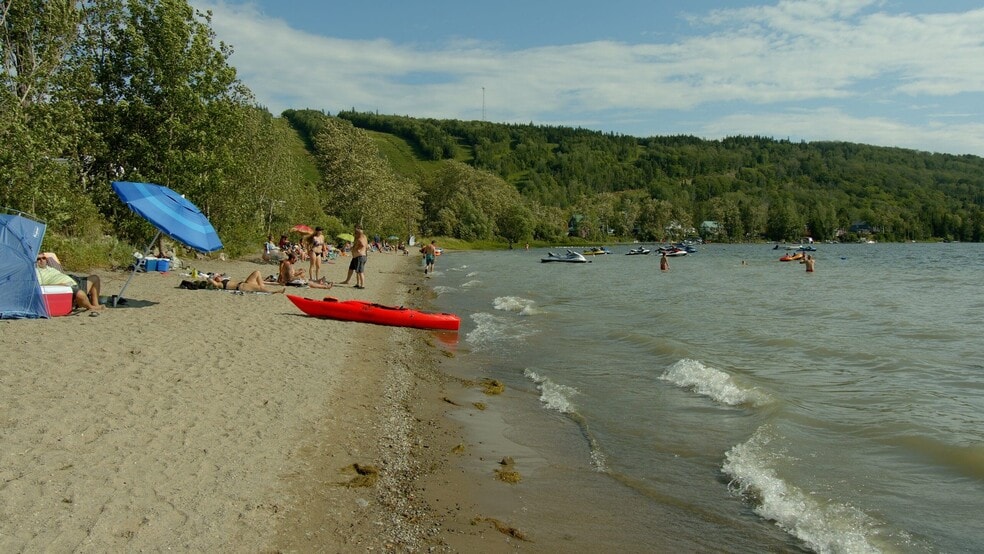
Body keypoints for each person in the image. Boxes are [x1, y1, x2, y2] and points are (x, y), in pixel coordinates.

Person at [35, 254, 103, 311]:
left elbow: (51, 256)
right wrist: (60, 285)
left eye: (43, 258)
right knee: (80, 294)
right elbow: (40, 286)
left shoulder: (50, 267)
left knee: (95, 278)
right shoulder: (36, 272)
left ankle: (95, 304)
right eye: (38, 259)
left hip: (73, 281)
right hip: (64, 286)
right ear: (35, 261)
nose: (41, 260)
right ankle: (91, 307)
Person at [339, 224, 368, 289]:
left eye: (356, 229)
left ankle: (362, 285)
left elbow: (363, 244)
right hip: (357, 256)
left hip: (360, 256)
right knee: (357, 271)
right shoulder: (359, 236)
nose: (355, 231)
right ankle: (357, 283)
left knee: (360, 271)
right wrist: (354, 247)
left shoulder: (361, 237)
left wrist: (357, 249)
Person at [209, 270, 284, 294]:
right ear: (215, 279)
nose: (218, 276)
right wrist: (208, 278)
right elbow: (213, 283)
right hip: (242, 287)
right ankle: (275, 292)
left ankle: (263, 287)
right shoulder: (220, 284)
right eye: (216, 277)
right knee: (260, 288)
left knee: (257, 272)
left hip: (244, 283)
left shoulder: (224, 279)